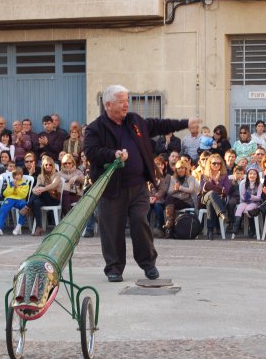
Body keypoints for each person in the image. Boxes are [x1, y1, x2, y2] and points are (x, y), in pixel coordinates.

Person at [84, 84, 192, 283]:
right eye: (121, 102)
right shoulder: (95, 128)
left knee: (140, 223)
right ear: (108, 104)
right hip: (110, 189)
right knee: (111, 229)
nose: (126, 105)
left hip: (138, 187)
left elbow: (160, 125)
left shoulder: (135, 121)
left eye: (127, 101)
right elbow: (91, 151)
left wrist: (185, 122)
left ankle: (148, 264)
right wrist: (113, 154)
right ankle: (114, 268)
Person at [19, 155, 61, 236]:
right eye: (46, 165)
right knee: (36, 202)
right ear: (43, 166)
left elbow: (53, 185)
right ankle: (39, 227)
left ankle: (26, 207)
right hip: (44, 199)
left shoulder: (57, 175)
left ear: (53, 165)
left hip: (53, 199)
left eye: (50, 164)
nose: (48, 166)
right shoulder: (40, 176)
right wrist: (34, 190)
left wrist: (43, 189)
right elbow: (36, 187)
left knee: (41, 187)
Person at [162, 159, 196, 239]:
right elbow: (169, 192)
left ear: (185, 169)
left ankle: (169, 227)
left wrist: (180, 187)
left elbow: (191, 190)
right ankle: (170, 225)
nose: (180, 170)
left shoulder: (191, 178)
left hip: (187, 202)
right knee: (169, 199)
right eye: (178, 168)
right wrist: (175, 189)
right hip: (175, 201)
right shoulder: (173, 178)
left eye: (182, 168)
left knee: (170, 200)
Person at [199, 153, 230, 240]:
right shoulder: (204, 176)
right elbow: (203, 189)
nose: (216, 165)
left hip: (220, 200)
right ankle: (222, 213)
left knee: (211, 202)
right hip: (205, 198)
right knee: (211, 194)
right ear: (209, 164)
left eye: (218, 163)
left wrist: (217, 182)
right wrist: (215, 183)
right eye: (214, 163)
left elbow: (226, 191)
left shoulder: (224, 176)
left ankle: (210, 231)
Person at [0, 168, 30, 236]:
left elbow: (23, 195)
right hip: (10, 199)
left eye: (19, 174)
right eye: (15, 175)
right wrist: (12, 187)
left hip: (20, 199)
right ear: (13, 176)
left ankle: (18, 226)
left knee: (24, 206)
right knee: (3, 208)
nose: (17, 176)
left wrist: (17, 187)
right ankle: (0, 228)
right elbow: (5, 193)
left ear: (21, 175)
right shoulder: (11, 183)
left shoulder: (25, 184)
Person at [232, 167, 262, 236]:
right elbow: (242, 196)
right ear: (247, 175)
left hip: (255, 203)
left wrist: (250, 196)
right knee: (239, 208)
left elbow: (258, 197)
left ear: (257, 175)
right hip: (244, 201)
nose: (252, 175)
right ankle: (236, 226)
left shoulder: (259, 184)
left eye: (254, 174)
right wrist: (248, 197)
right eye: (250, 174)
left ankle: (252, 228)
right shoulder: (243, 183)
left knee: (249, 209)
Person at [148, 155, 171, 238]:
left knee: (158, 206)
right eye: (158, 164)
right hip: (150, 199)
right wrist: (150, 198)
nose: (160, 166)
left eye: (162, 164)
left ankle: (160, 227)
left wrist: (160, 178)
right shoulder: (150, 176)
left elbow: (164, 190)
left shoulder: (167, 177)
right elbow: (148, 189)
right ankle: (145, 228)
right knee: (146, 206)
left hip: (161, 200)